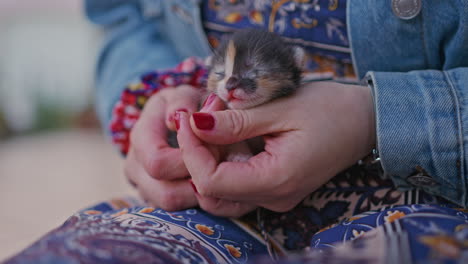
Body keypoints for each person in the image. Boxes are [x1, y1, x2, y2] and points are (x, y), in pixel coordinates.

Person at [5, 0, 468, 263]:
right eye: (223, 75)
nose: (230, 86)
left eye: (249, 74)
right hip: (218, 213)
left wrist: (374, 118)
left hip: (432, 203)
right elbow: (123, 19)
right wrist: (156, 98)